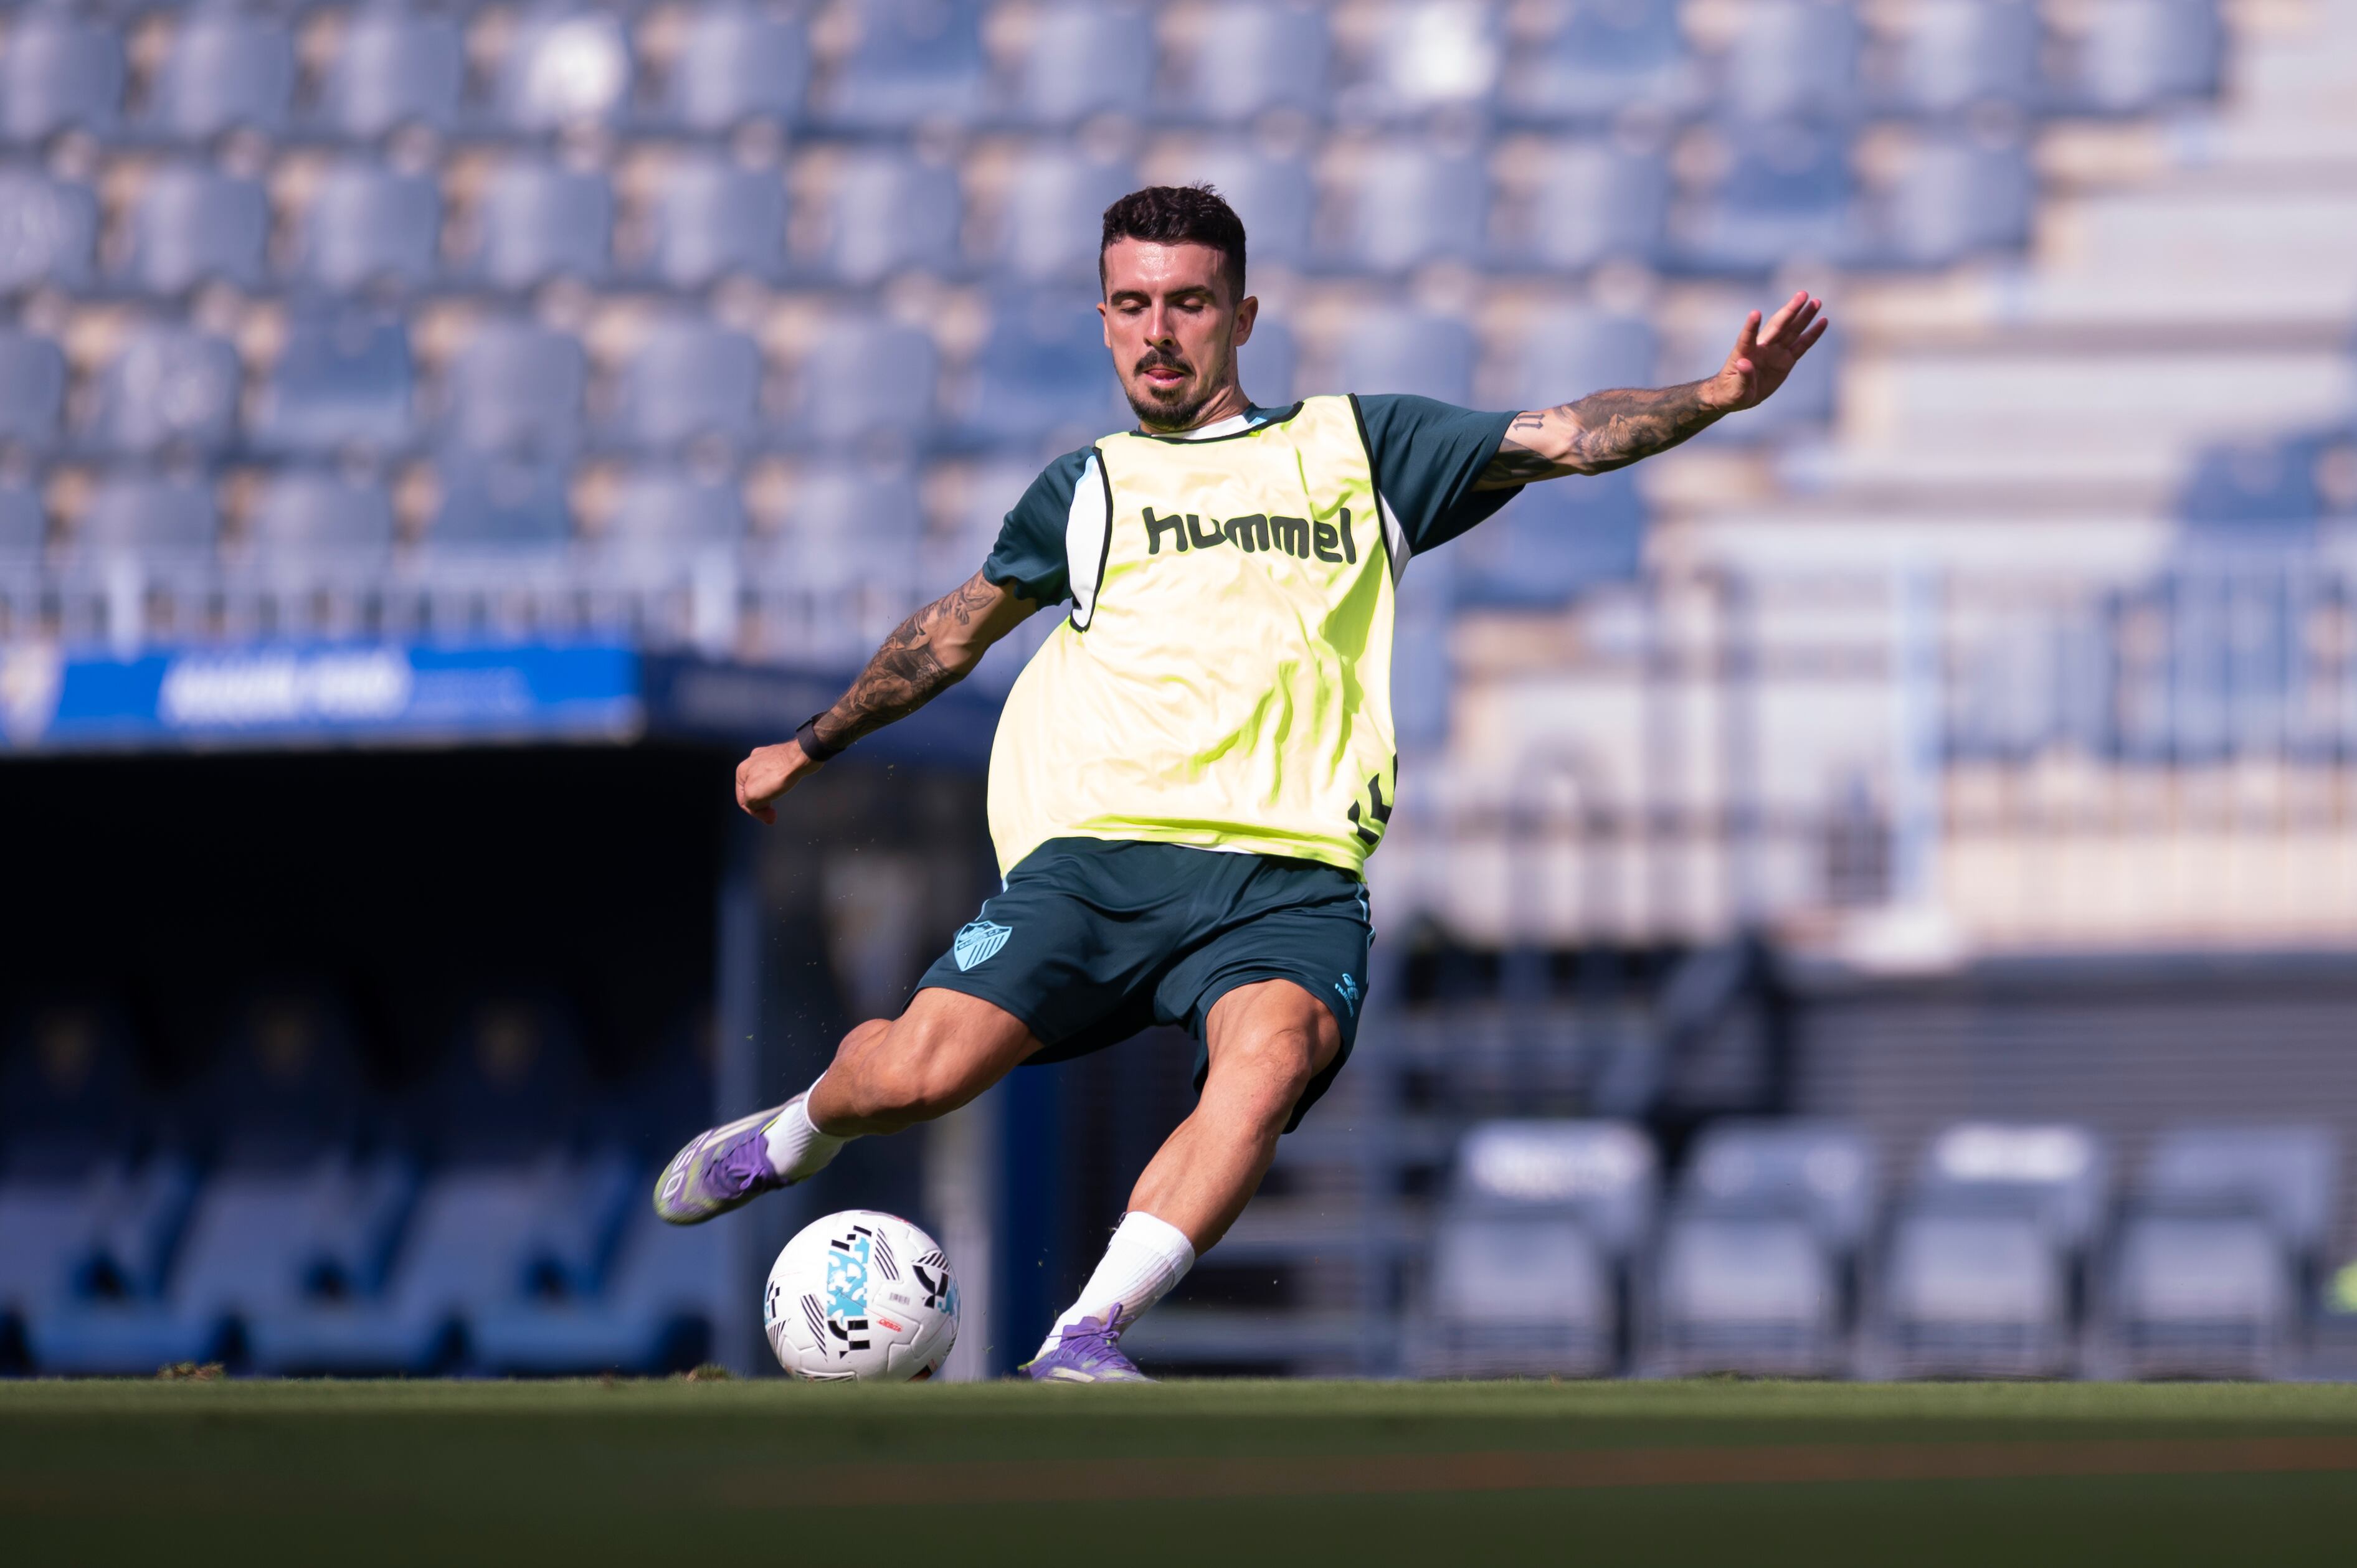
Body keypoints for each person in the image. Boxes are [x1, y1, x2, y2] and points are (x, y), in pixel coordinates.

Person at [655, 185, 1826, 1382]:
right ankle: (794, 1132)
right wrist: (812, 743)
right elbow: (950, 634)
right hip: (1098, 857)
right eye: (1131, 305)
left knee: (1269, 1062)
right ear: (1103, 320)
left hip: (1291, 876)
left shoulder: (1360, 449)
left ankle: (1085, 1335)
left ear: (1243, 317)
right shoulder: (1087, 488)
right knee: (917, 1074)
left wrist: (1717, 395)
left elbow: (1566, 435)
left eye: (1189, 304)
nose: (1158, 332)